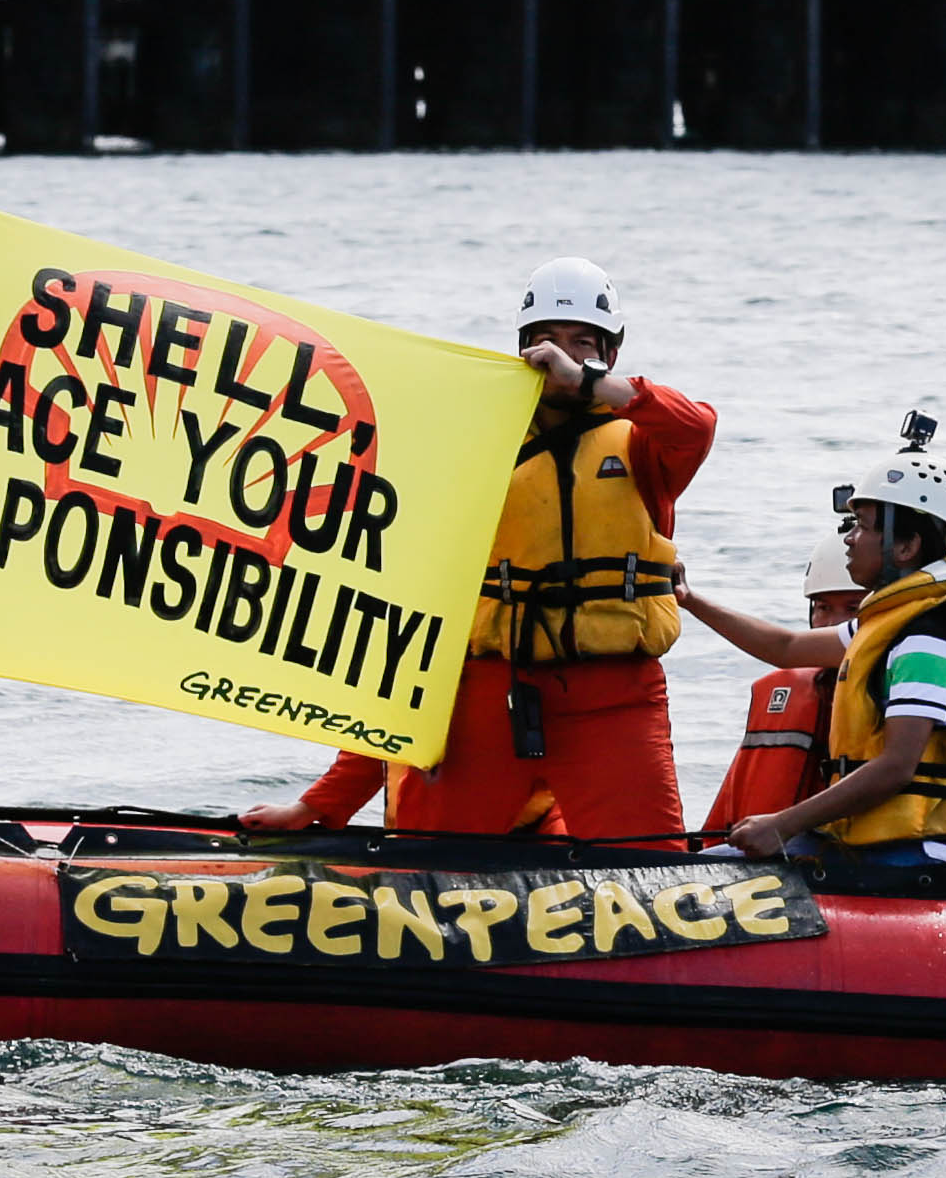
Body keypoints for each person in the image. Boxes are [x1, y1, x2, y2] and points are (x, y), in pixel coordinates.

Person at [238, 255, 716, 842]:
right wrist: (324, 802)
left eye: (581, 343)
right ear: (521, 348)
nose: (560, 355)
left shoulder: (646, 443)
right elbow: (404, 640)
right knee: (425, 856)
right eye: (545, 340)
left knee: (651, 867)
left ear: (610, 354)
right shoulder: (471, 443)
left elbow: (697, 426)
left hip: (615, 697)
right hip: (484, 692)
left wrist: (585, 383)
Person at [715, 419, 946, 868]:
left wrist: (783, 824)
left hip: (930, 850)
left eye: (863, 526)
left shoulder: (931, 635)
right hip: (878, 841)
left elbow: (896, 768)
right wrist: (685, 596)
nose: (850, 539)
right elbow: (787, 647)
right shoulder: (891, 624)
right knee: (718, 863)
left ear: (908, 545)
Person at [686, 545, 867, 838]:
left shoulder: (899, 670)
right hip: (767, 854)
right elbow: (783, 647)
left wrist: (783, 826)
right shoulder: (784, 691)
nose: (832, 623)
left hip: (849, 852)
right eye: (823, 608)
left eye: (852, 609)